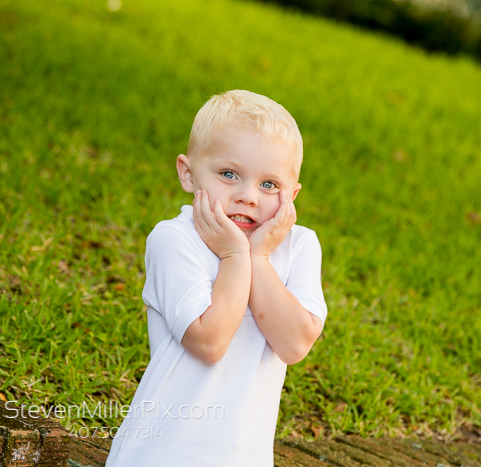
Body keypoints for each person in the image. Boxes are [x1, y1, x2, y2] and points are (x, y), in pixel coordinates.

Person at [105, 90, 327, 467]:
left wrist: (258, 255)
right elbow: (208, 342)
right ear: (187, 174)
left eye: (269, 185)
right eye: (228, 174)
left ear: (293, 193)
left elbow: (294, 344)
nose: (248, 197)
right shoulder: (175, 240)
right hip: (159, 454)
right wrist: (235, 254)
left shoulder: (299, 246)